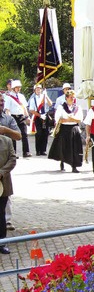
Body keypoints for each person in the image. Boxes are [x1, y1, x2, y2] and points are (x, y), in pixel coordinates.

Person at [48, 90, 83, 173]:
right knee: (64, 147)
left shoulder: (77, 107)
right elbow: (59, 119)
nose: (72, 99)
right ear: (66, 98)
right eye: (71, 97)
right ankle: (62, 161)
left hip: (74, 129)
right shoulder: (61, 107)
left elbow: (79, 119)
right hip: (64, 129)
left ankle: (74, 166)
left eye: (73, 97)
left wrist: (70, 119)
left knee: (75, 148)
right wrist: (69, 119)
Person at [0, 97, 21, 233]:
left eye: (2, 101)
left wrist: (5, 130)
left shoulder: (8, 119)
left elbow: (19, 136)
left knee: (3, 202)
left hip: (5, 161)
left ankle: (6, 222)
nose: (1, 103)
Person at [4, 80, 31, 157]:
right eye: (17, 87)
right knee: (13, 135)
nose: (19, 89)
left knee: (24, 134)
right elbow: (7, 109)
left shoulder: (21, 96)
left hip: (21, 116)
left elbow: (24, 107)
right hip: (13, 117)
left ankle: (26, 152)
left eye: (19, 87)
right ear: (13, 88)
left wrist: (27, 116)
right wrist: (9, 119)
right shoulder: (9, 97)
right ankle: (13, 152)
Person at [0, 134, 17, 255]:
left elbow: (12, 159)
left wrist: (2, 172)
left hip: (3, 183)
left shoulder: (7, 141)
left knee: (1, 213)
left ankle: (1, 242)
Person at [28, 84, 53, 156]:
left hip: (45, 115)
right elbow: (31, 110)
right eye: (37, 89)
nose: (38, 90)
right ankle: (38, 150)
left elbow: (50, 104)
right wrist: (40, 115)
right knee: (39, 133)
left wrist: (46, 95)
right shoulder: (33, 99)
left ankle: (43, 150)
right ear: (34, 90)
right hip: (38, 116)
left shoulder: (44, 97)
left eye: (40, 89)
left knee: (45, 133)